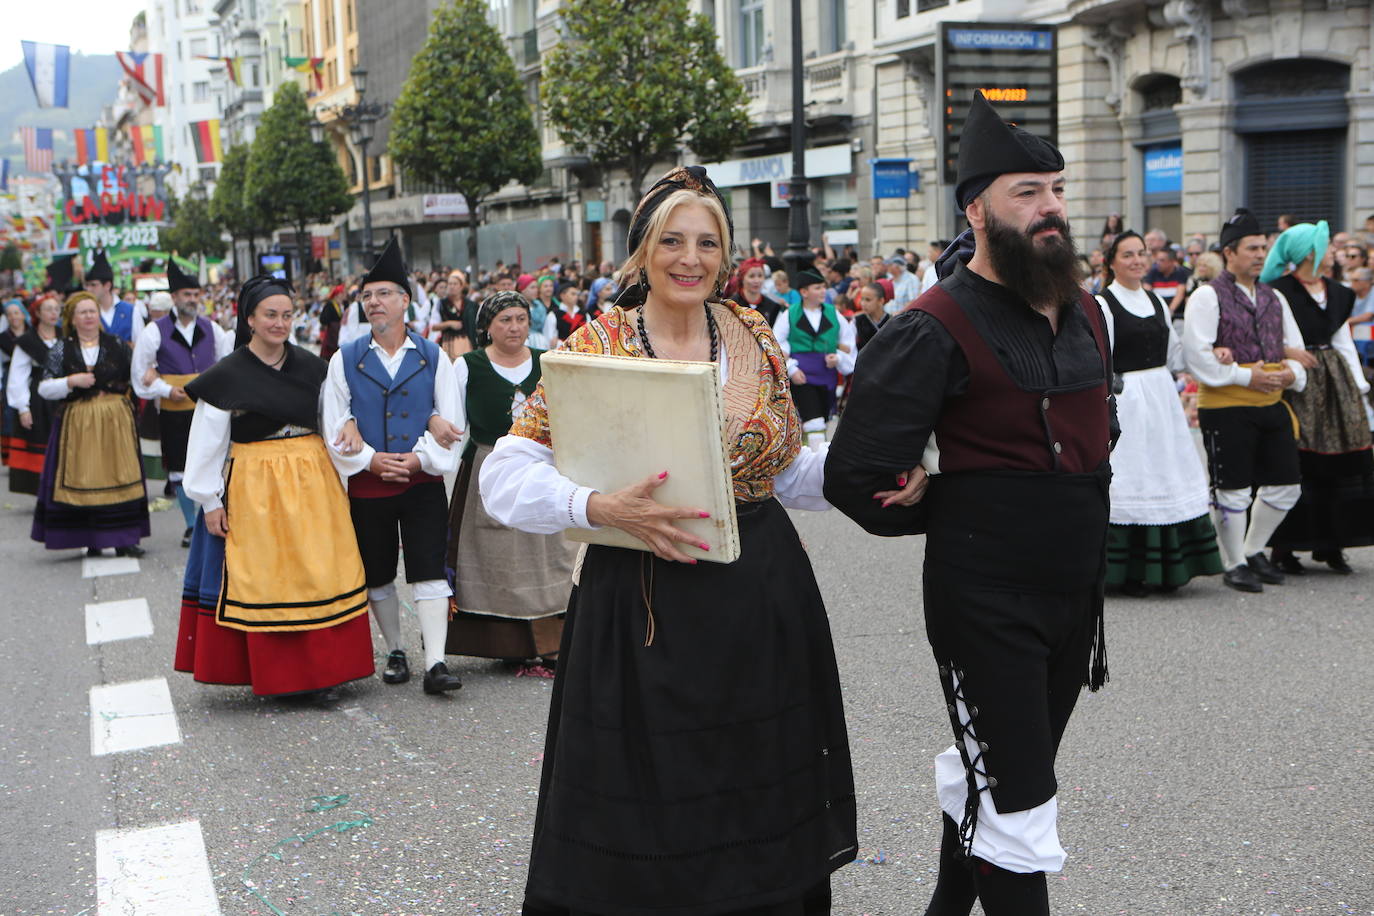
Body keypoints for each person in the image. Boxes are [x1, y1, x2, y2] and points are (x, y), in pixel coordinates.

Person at [480, 165, 856, 915]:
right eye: (673, 241)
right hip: (641, 605)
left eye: (708, 243)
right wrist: (598, 505)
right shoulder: (597, 344)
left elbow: (784, 473)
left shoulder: (750, 332)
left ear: (726, 255)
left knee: (757, 769)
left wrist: (870, 475)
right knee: (653, 784)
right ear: (642, 253)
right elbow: (505, 474)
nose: (692, 258)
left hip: (759, 594)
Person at [825, 90, 1112, 916]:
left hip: (1073, 597)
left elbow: (1102, 428)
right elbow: (857, 475)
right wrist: (942, 501)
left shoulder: (1086, 310)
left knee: (1004, 781)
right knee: (1019, 803)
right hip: (983, 601)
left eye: (1055, 188)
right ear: (977, 208)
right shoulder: (931, 324)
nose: (1050, 207)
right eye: (1028, 193)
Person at [175, 275, 373, 702]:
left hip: (312, 478)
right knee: (268, 577)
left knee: (319, 571)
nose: (279, 323)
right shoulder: (226, 376)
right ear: (249, 319)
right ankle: (282, 677)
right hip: (255, 482)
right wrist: (209, 501)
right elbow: (207, 442)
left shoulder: (314, 367)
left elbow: (334, 417)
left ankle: (324, 672)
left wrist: (351, 430)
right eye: (270, 315)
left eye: (286, 315)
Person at [323, 238, 466, 695]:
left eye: (384, 293)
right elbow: (334, 425)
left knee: (429, 568)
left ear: (406, 301)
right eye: (367, 296)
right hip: (369, 486)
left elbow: (453, 422)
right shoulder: (344, 359)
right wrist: (371, 460)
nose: (374, 302)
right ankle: (396, 650)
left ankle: (437, 662)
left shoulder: (432, 355)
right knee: (378, 571)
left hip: (421, 483)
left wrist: (420, 458)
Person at [444, 291, 577, 669]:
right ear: (487, 326)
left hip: (544, 465)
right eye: (505, 320)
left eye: (521, 318)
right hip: (489, 465)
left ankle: (556, 642)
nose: (515, 327)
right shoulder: (468, 366)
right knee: (496, 556)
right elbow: (455, 422)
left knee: (551, 552)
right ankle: (507, 646)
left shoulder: (547, 362)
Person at [1181, 208, 1307, 593]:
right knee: (1233, 488)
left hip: (1271, 402)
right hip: (1226, 404)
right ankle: (1234, 561)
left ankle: (1253, 550)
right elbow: (1197, 355)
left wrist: (1291, 374)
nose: (1260, 254)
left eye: (1263, 248)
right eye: (1252, 248)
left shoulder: (1274, 297)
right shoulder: (1207, 296)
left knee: (1287, 485)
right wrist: (1243, 374)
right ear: (1230, 252)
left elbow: (1297, 350)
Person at [1096, 231, 1222, 594]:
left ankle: (1168, 567)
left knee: (1165, 470)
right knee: (1133, 474)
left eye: (1142, 253)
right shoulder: (1104, 303)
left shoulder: (1156, 301)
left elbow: (1175, 356)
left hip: (1162, 396)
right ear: (1112, 262)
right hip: (1129, 398)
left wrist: (1212, 352)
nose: (1137, 260)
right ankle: (1129, 570)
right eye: (1128, 254)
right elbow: (1100, 358)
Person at [1260, 223, 1374, 573]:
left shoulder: (1339, 293)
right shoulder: (1277, 291)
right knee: (1299, 461)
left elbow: (1341, 339)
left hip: (1335, 383)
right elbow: (1265, 335)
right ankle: (1287, 546)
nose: (1332, 253)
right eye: (1326, 247)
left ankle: (1332, 542)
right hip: (1298, 381)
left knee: (1343, 459)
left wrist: (1358, 387)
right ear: (1309, 252)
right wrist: (1288, 352)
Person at [31, 292, 150, 557]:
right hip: (79, 421)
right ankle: (91, 539)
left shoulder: (116, 344)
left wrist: (150, 374)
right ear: (72, 319)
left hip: (114, 419)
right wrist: (70, 382)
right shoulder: (61, 348)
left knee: (120, 476)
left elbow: (136, 376)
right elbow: (44, 388)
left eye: (92, 311)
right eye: (82, 312)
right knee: (84, 479)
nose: (88, 317)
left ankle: (124, 539)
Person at [132, 261, 233, 547]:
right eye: (186, 294)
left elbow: (225, 362)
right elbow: (140, 373)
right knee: (179, 466)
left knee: (215, 461)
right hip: (175, 409)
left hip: (208, 407)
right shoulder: (155, 330)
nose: (192, 300)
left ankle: (214, 515)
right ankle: (191, 525)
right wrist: (166, 388)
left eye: (195, 294)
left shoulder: (211, 328)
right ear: (174, 297)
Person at [773, 267, 857, 450]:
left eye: (823, 287)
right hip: (802, 377)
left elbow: (848, 343)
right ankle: (817, 461)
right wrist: (791, 368)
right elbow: (776, 344)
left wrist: (839, 358)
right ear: (804, 292)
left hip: (827, 376)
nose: (823, 291)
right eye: (817, 288)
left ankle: (818, 458)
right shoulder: (789, 314)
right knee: (814, 420)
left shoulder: (834, 313)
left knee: (824, 419)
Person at [6, 296, 60, 495]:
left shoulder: (65, 336)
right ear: (37, 313)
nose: (54, 313)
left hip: (64, 396)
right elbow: (17, 376)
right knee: (41, 439)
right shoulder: (28, 341)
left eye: (56, 309)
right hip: (39, 399)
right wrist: (22, 408)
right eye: (48, 309)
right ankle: (43, 489)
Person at [86, 250, 143, 345]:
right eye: (87, 285)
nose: (89, 289)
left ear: (107, 286)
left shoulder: (131, 311)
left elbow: (141, 345)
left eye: (93, 285)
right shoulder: (88, 312)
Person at [733, 256, 784, 327]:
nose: (756, 281)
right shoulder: (732, 305)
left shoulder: (773, 307)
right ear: (742, 279)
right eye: (751, 276)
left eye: (760, 276)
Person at [1143, 245, 1191, 313]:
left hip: (1175, 314)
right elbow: (1146, 292)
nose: (1158, 263)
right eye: (1157, 260)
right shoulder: (1153, 272)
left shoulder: (1181, 273)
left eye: (1162, 260)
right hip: (1156, 311)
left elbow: (1180, 295)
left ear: (1172, 262)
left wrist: (1169, 312)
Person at [1345, 267, 1374, 362]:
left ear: (1368, 282)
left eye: (1356, 280)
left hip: (1368, 332)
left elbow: (1368, 316)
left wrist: (1346, 322)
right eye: (1352, 280)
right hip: (1354, 330)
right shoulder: (1351, 294)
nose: (1352, 283)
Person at [854, 281, 889, 350]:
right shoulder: (857, 321)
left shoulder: (891, 321)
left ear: (881, 301)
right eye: (862, 299)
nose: (863, 303)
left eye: (868, 300)